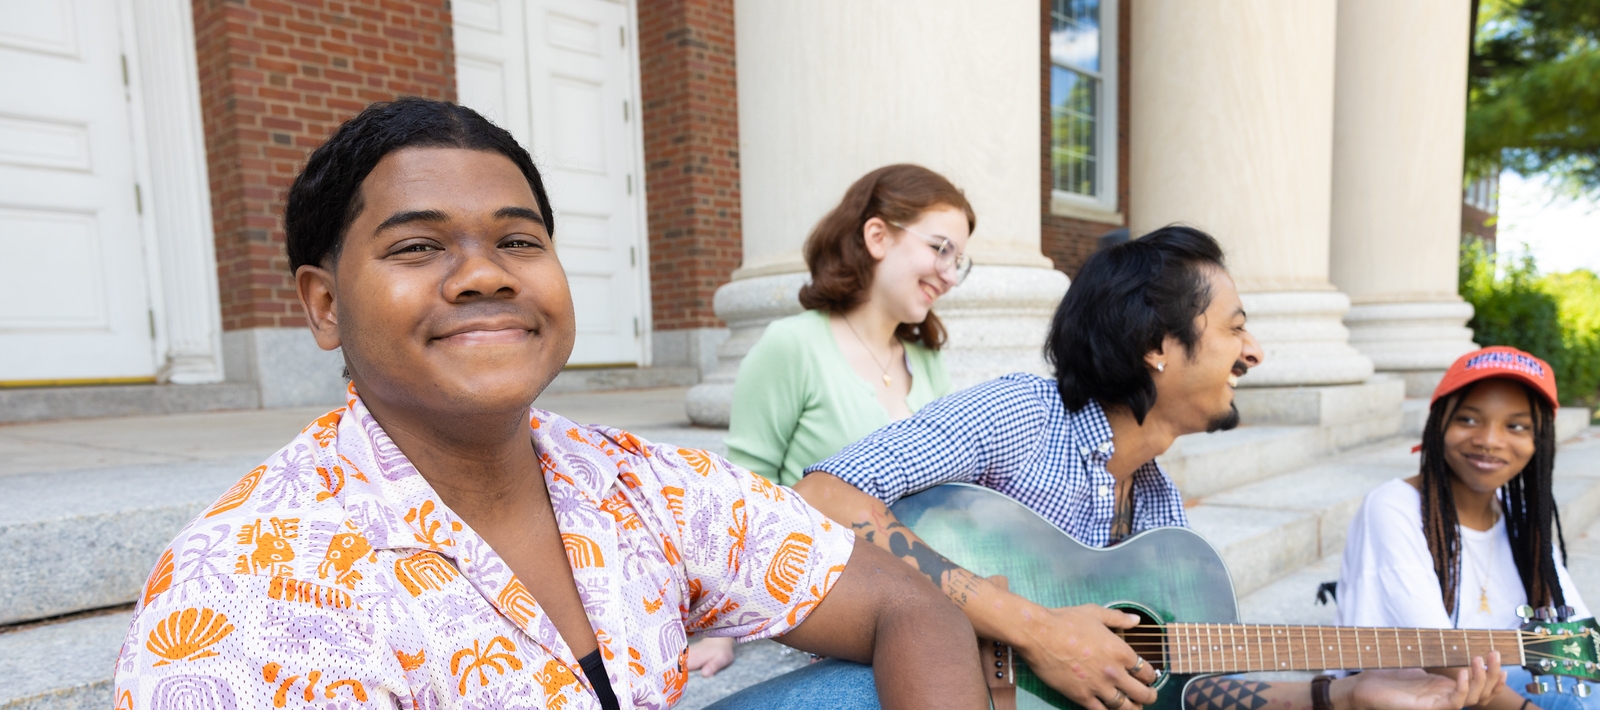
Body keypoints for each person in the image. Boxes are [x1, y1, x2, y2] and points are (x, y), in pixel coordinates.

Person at [111, 98, 988, 710]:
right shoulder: (245, 593)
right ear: (325, 305)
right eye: (417, 246)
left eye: (518, 240)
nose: (488, 274)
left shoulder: (635, 480)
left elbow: (906, 604)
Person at [793, 227, 1508, 710]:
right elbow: (822, 494)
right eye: (1235, 327)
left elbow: (1187, 690)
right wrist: (1034, 628)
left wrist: (1340, 696)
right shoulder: (1023, 416)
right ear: (1157, 346)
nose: (1254, 353)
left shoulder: (1161, 518)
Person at [687, 164, 967, 677]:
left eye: (959, 261)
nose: (950, 274)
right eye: (941, 248)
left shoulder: (927, 360)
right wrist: (720, 632)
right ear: (877, 236)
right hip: (829, 601)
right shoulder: (792, 346)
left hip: (920, 596)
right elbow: (741, 496)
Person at [1337, 346, 1595, 710]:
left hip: (1504, 688)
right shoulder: (1393, 507)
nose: (1489, 440)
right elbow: (1435, 653)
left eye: (1516, 426)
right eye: (1468, 419)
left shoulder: (1521, 521)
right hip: (1412, 695)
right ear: (1438, 423)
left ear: (1540, 441)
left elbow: (1579, 640)